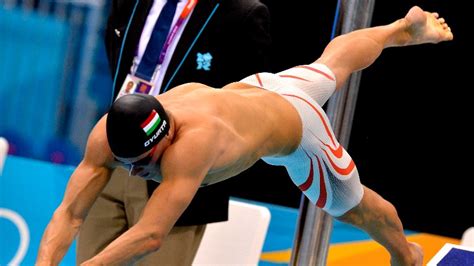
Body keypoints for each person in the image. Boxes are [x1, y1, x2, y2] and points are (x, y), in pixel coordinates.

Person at [37, 6, 453, 265]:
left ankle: (407, 255)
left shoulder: (191, 145)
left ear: (166, 138)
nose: (138, 172)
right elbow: (70, 214)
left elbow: (151, 235)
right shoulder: (107, 133)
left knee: (357, 208)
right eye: (129, 163)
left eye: (146, 163)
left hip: (298, 128)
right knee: (331, 63)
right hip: (262, 87)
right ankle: (401, 29)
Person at [76, 0, 271, 265]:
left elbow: (247, 102)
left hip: (177, 169)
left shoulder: (241, 13)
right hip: (114, 161)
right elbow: (118, 58)